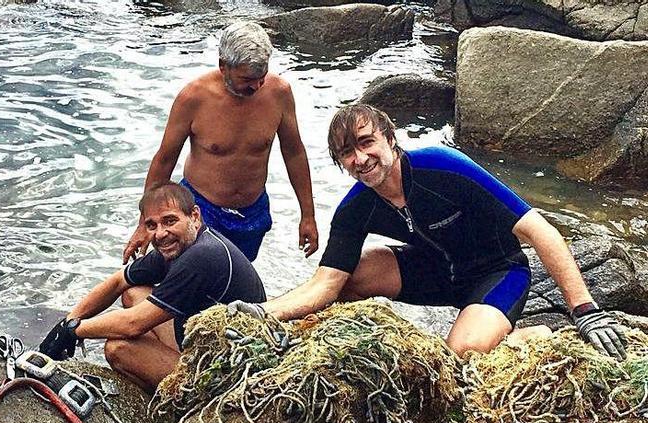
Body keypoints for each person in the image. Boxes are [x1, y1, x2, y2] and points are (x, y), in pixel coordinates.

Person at [228, 104, 628, 359]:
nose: (360, 159)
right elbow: (326, 283)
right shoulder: (356, 207)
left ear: (390, 137)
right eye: (347, 154)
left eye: (367, 143)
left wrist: (586, 312)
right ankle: (350, 350)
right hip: (435, 271)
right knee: (355, 274)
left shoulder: (444, 167)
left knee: (464, 353)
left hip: (496, 271)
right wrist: (267, 314)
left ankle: (532, 335)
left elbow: (541, 232)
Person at [123, 20, 318, 263]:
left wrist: (307, 215)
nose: (257, 86)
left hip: (252, 212)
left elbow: (294, 153)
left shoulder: (279, 93)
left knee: (236, 279)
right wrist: (144, 223)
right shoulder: (193, 97)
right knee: (193, 279)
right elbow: (164, 160)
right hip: (202, 208)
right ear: (223, 66)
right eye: (247, 78)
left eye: (262, 76)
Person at [41, 182, 266, 391]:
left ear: (195, 216)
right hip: (203, 345)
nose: (160, 234)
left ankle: (176, 401)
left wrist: (73, 331)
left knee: (118, 349)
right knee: (134, 292)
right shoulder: (179, 244)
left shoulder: (203, 256)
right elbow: (120, 280)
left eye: (170, 221)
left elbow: (133, 324)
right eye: (151, 225)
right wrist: (69, 319)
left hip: (228, 372)